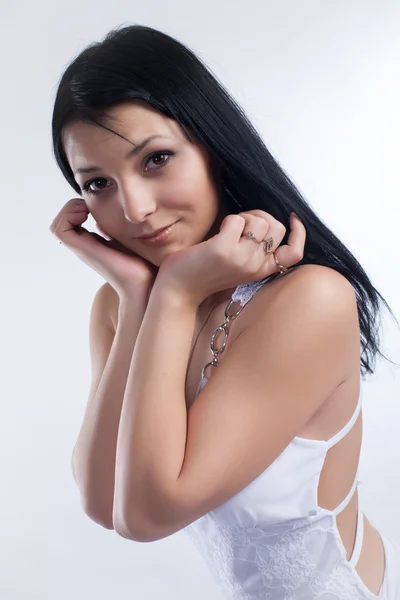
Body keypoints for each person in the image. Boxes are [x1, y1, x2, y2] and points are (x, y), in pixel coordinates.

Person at [49, 24, 399, 599]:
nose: (134, 208)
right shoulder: (122, 302)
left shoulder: (309, 299)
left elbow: (146, 517)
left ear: (212, 145)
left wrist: (176, 295)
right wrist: (144, 298)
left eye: (156, 159)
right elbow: (101, 501)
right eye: (98, 184)